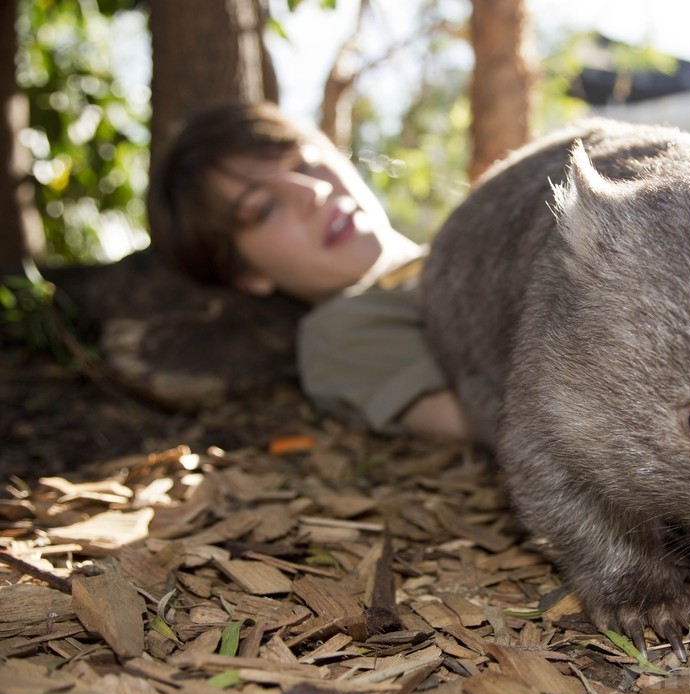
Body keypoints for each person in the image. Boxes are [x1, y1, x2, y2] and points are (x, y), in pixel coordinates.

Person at [147, 101, 471, 441]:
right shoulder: (340, 332)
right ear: (246, 274)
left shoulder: (468, 235)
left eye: (307, 163)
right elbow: (505, 422)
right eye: (264, 208)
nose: (314, 191)